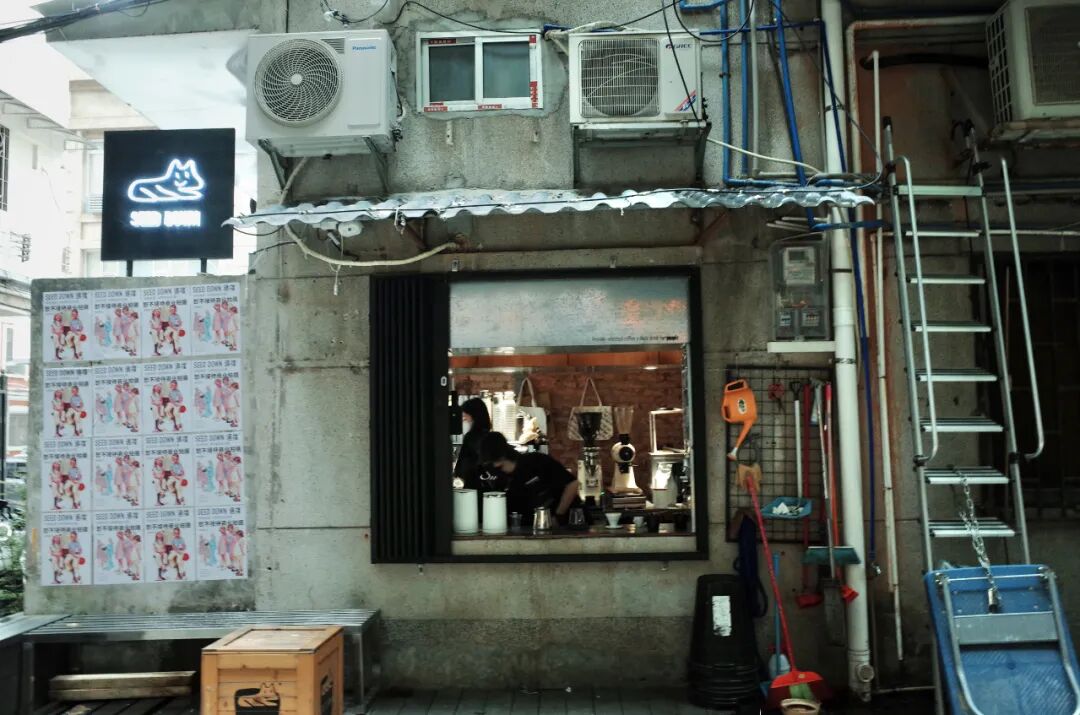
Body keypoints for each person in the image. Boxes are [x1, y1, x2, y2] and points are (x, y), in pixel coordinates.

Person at [479, 431, 581, 526]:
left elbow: (572, 484)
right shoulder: (500, 479)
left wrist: (558, 516)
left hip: (566, 526)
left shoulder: (537, 461)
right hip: (529, 531)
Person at [453, 398, 493, 491]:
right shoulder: (490, 436)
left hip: (472, 483)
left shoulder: (471, 437)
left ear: (473, 415)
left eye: (466, 414)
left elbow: (462, 464)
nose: (464, 417)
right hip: (488, 482)